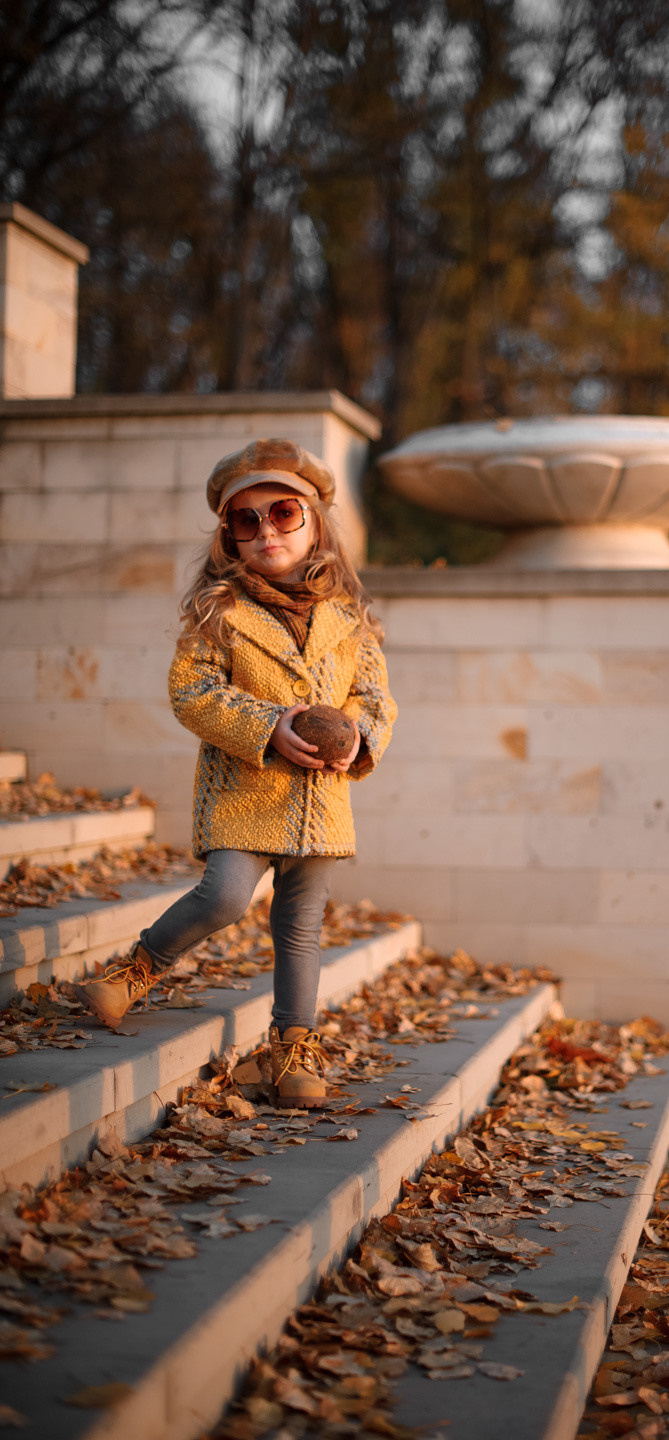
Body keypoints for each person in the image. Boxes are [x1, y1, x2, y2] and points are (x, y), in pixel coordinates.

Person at [73, 438, 396, 1106]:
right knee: (224, 896)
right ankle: (134, 970)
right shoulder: (217, 613)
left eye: (282, 513)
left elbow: (374, 698)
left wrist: (358, 739)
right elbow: (191, 693)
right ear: (228, 537)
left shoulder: (349, 622)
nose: (265, 531)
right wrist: (268, 724)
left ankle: (290, 1054)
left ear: (315, 523)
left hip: (320, 799)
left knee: (300, 924)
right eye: (245, 521)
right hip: (244, 792)